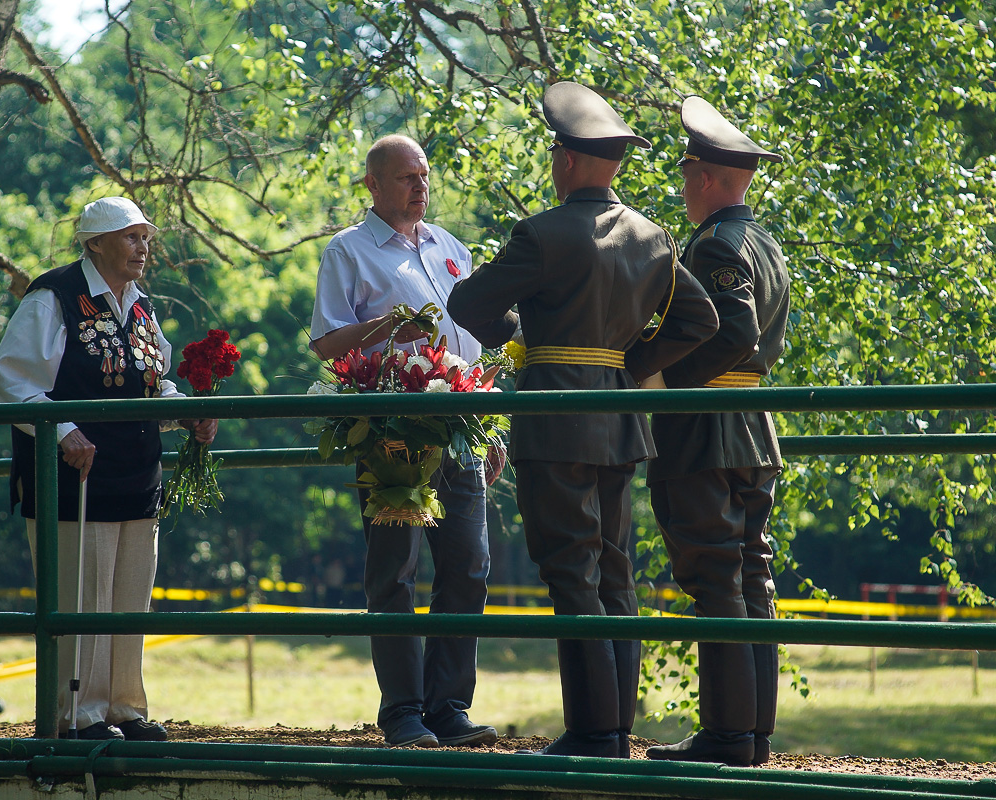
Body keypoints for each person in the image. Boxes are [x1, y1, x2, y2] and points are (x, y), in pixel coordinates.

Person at [447, 81, 719, 758]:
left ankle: (594, 733)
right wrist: (629, 362)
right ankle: (612, 726)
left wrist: (518, 332)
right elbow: (702, 320)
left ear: (565, 160)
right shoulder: (654, 236)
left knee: (572, 572)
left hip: (556, 419)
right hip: (622, 420)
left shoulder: (542, 232)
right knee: (616, 577)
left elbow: (466, 302)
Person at [0, 195, 218, 741]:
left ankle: (124, 709)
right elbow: (11, 381)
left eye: (145, 237)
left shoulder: (139, 303)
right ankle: (77, 716)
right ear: (96, 243)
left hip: (136, 476)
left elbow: (153, 380)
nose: (143, 247)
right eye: (131, 236)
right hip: (73, 481)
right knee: (80, 596)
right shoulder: (54, 296)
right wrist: (64, 431)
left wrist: (185, 413)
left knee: (129, 597)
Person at [309, 134, 501, 749]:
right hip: (390, 434)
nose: (420, 187)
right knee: (395, 573)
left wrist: (490, 419)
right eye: (405, 178)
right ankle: (403, 712)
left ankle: (449, 708)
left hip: (458, 427)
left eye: (424, 176)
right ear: (372, 184)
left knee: (469, 565)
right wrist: (386, 325)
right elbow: (326, 345)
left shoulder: (452, 249)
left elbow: (470, 345)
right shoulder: (348, 252)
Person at [643, 96, 789, 768]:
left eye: (685, 174)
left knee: (716, 578)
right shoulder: (764, 243)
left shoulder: (716, 244)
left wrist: (663, 380)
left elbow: (733, 332)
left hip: (707, 428)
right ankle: (750, 734)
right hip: (751, 426)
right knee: (750, 578)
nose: (682, 186)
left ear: (704, 176)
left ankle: (728, 737)